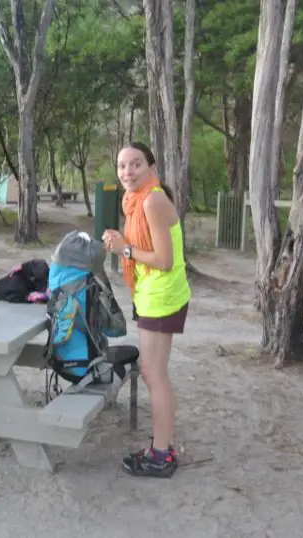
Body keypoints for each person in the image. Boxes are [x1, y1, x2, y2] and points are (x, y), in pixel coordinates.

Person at [101, 141, 191, 478]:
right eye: (122, 166)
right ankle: (161, 445)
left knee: (155, 374)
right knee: (155, 372)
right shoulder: (136, 201)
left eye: (136, 164)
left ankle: (161, 455)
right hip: (151, 293)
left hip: (162, 295)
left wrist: (125, 250)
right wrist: (124, 247)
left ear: (151, 168)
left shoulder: (153, 200)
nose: (128, 172)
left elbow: (165, 261)